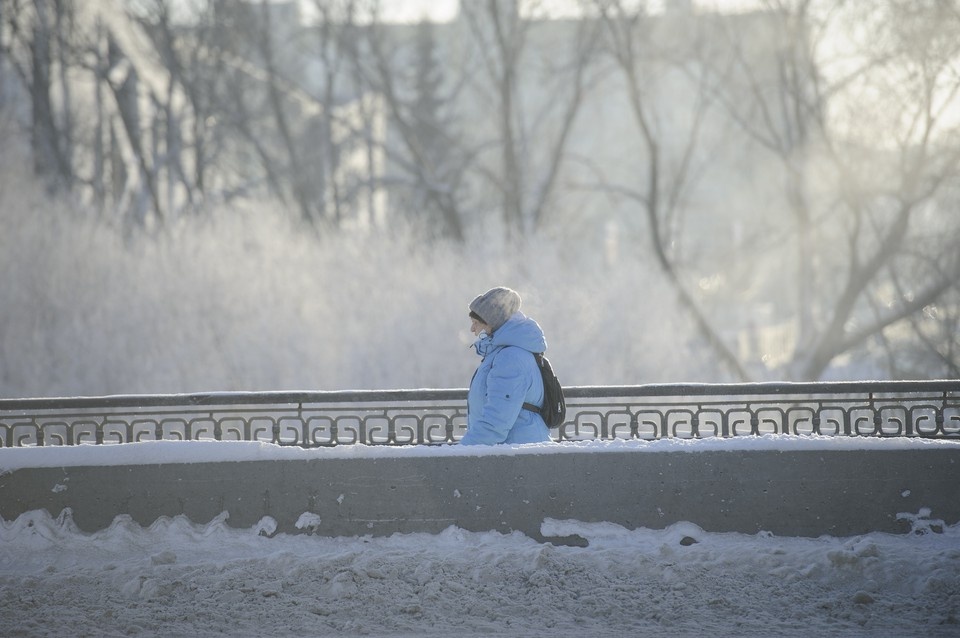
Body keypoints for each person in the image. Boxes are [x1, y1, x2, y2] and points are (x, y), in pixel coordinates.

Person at [460, 286, 551, 445]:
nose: (472, 329)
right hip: (515, 449)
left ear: (491, 323)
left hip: (516, 452)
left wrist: (462, 452)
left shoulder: (510, 358)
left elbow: (496, 422)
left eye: (476, 323)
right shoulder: (504, 353)